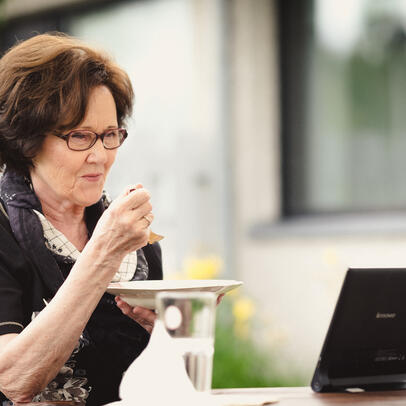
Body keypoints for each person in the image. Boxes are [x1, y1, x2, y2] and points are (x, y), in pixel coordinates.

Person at [0, 32, 162, 406]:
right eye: (80, 136)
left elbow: (165, 385)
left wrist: (175, 334)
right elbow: (13, 380)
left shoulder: (133, 240)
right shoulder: (4, 229)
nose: (100, 156)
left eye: (109, 135)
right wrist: (102, 253)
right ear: (27, 140)